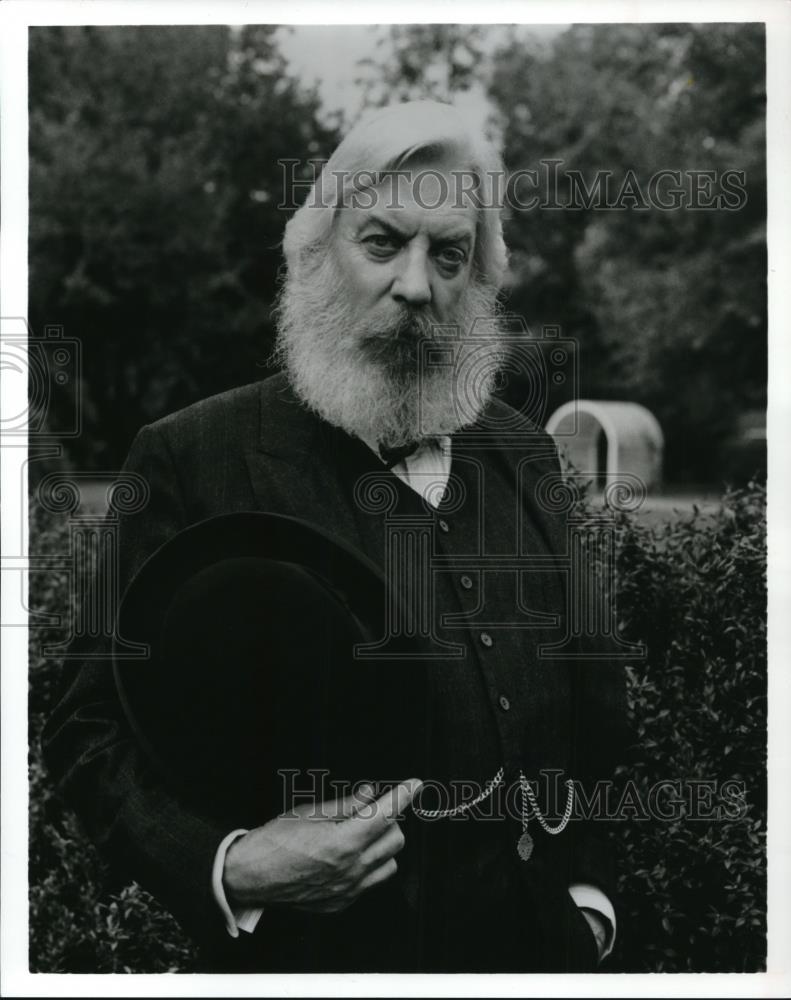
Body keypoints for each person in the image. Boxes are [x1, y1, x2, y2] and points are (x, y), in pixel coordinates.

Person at [42, 100, 628, 974]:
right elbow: (86, 732)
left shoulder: (519, 450)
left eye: (449, 253)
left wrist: (588, 904)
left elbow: (595, 703)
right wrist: (235, 864)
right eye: (382, 241)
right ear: (315, 255)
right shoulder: (192, 458)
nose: (416, 285)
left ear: (479, 282)